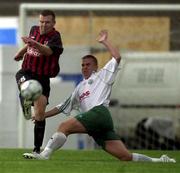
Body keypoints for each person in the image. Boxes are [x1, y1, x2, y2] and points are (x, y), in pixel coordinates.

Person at [23, 30, 175, 163]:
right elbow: (61, 107)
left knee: (64, 127)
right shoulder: (79, 88)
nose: (84, 67)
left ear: (96, 66)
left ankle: (44, 155)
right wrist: (42, 116)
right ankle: (160, 160)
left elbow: (117, 57)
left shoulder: (103, 75)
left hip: (100, 113)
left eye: (88, 64)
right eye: (82, 65)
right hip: (97, 125)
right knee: (125, 157)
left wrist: (105, 42)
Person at [14, 9, 63, 154]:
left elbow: (48, 51)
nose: (43, 25)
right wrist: (20, 53)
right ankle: (25, 100)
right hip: (27, 72)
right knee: (26, 85)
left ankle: (36, 150)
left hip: (43, 77)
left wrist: (33, 43)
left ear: (53, 23)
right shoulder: (34, 30)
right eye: (41, 21)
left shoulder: (55, 37)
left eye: (47, 22)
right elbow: (29, 44)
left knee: (40, 114)